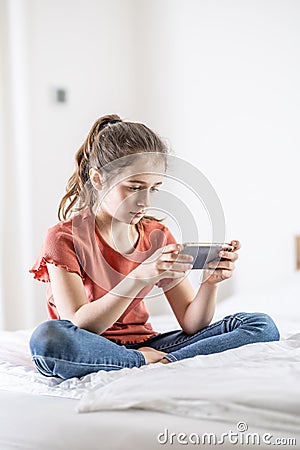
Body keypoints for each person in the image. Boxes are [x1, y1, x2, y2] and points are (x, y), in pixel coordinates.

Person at [29, 114, 279, 380]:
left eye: (154, 189)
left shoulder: (157, 236)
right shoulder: (63, 238)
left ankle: (164, 362)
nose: (144, 202)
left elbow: (191, 323)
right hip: (93, 346)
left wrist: (209, 284)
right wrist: (138, 277)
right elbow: (81, 324)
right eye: (134, 188)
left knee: (260, 325)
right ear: (98, 179)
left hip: (152, 346)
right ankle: (136, 362)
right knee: (48, 340)